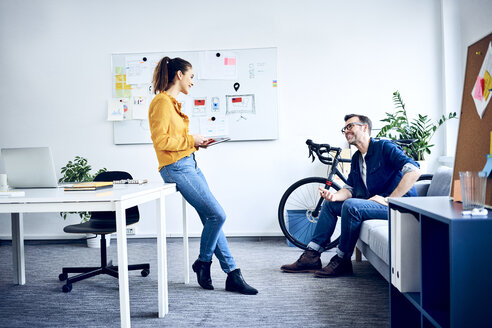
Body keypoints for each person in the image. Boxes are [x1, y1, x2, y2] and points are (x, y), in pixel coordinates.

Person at [148, 56, 257, 295]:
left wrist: (197, 144)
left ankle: (232, 275)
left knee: (212, 219)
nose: (193, 82)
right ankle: (203, 262)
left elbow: (175, 140)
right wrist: (191, 140)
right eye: (191, 77)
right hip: (176, 168)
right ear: (179, 75)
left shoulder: (172, 103)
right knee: (218, 215)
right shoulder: (162, 102)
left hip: (189, 164)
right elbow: (161, 141)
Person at [281, 114, 421, 277]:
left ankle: (342, 260)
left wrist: (390, 199)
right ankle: (311, 255)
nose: (346, 131)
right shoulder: (356, 158)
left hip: (399, 206)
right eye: (344, 128)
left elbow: (414, 170)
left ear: (364, 127)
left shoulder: (384, 147)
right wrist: (334, 196)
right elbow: (350, 189)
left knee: (352, 205)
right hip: (377, 204)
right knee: (329, 205)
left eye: (350, 126)